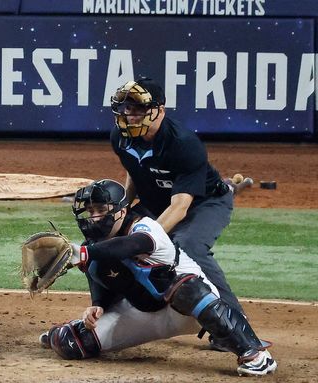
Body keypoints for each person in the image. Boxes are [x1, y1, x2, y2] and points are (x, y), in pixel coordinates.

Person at [39, 179, 277, 376]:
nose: (93, 217)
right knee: (71, 343)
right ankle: (66, 334)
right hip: (143, 315)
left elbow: (130, 246)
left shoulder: (145, 228)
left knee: (186, 287)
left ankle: (255, 354)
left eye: (101, 210)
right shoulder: (92, 249)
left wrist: (84, 253)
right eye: (90, 212)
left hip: (191, 308)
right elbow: (100, 277)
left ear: (122, 211)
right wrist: (98, 305)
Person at [108, 78, 243, 349]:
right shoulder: (121, 137)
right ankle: (110, 310)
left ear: (160, 109)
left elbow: (180, 207)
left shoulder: (183, 144)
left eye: (137, 109)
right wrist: (123, 211)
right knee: (112, 236)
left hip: (204, 204)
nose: (130, 116)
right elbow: (134, 174)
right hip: (157, 203)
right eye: (126, 109)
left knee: (188, 246)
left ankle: (232, 326)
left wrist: (145, 238)